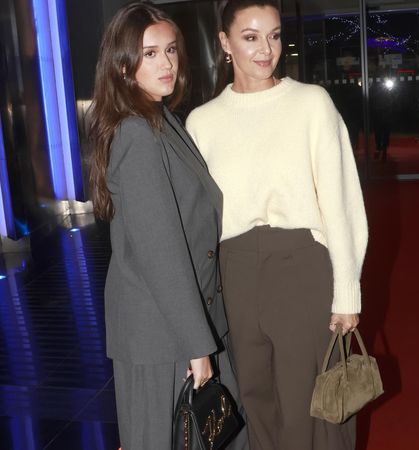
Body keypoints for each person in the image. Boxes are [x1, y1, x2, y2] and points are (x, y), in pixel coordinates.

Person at [186, 1, 368, 449]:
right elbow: (198, 222)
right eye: (250, 37)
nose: (266, 49)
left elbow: (341, 202)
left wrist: (347, 292)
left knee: (313, 407)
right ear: (225, 42)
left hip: (301, 266)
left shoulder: (310, 104)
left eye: (273, 35)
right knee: (256, 400)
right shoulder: (202, 123)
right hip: (235, 272)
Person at [89, 2, 248, 449]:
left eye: (171, 50)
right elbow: (161, 253)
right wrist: (197, 345)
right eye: (150, 53)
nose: (167, 64)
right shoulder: (137, 134)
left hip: (178, 324)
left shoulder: (160, 120)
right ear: (123, 65)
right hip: (162, 334)